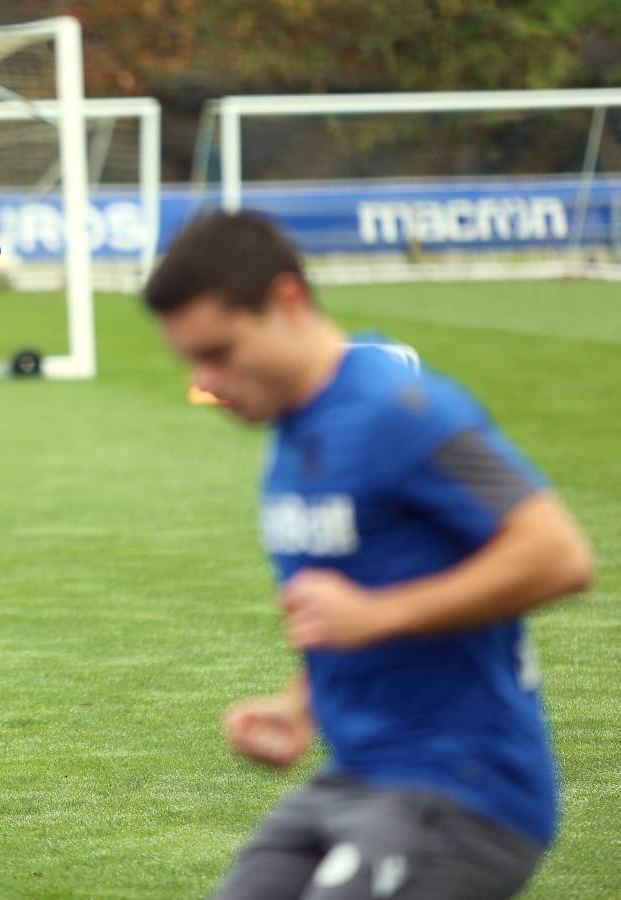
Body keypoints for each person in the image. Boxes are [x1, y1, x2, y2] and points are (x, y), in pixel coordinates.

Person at [142, 211, 593, 899]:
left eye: (220, 351)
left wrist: (378, 614)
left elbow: (559, 554)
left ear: (287, 302)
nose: (205, 382)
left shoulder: (397, 409)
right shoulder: (295, 426)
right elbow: (358, 590)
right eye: (191, 361)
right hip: (357, 773)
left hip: (466, 787)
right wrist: (301, 704)